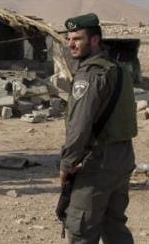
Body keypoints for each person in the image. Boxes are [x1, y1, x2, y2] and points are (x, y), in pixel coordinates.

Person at [60, 13, 137, 244]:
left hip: (97, 162)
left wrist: (67, 163)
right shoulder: (119, 69)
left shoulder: (91, 74)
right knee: (113, 226)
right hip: (122, 157)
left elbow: (79, 125)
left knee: (82, 228)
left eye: (78, 39)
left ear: (94, 40)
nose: (71, 44)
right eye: (69, 39)